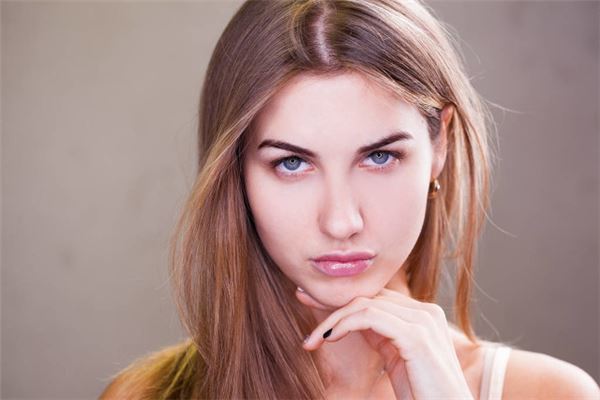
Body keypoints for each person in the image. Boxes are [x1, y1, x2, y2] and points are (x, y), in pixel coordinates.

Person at [100, 0, 600, 399]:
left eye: (379, 157)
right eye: (291, 163)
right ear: (236, 173)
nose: (341, 222)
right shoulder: (147, 395)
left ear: (439, 146)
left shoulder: (551, 394)